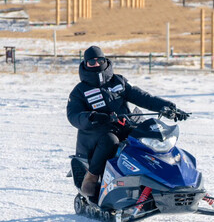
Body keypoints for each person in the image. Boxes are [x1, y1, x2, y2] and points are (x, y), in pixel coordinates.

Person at [67, 45, 189, 197]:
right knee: (110, 141)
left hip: (128, 124)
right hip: (100, 131)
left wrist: (168, 108)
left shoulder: (119, 81)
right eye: (92, 62)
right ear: (85, 64)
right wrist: (92, 117)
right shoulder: (80, 90)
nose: (97, 64)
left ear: (105, 60)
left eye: (100, 60)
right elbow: (74, 115)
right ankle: (91, 178)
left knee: (152, 137)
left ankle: (165, 176)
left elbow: (143, 96)